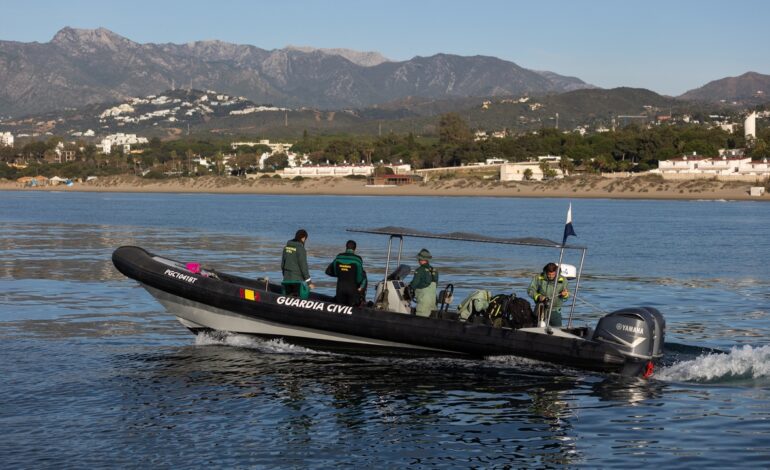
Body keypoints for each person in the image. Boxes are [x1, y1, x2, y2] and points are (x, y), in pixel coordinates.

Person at [325, 239, 367, 306]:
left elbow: (330, 272)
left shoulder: (338, 257)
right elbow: (359, 279)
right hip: (352, 291)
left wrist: (343, 272)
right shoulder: (358, 259)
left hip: (340, 290)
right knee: (364, 275)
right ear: (355, 249)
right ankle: (362, 299)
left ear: (346, 247)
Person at [527, 262, 569, 327]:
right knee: (537, 329)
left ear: (556, 272)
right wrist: (538, 296)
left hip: (555, 311)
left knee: (557, 329)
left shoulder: (563, 280)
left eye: (553, 274)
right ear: (546, 272)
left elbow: (567, 297)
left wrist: (565, 295)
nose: (551, 276)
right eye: (549, 274)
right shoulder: (538, 278)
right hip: (540, 308)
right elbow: (530, 290)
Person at [281, 229, 315, 298]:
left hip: (286, 280)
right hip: (297, 281)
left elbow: (282, 265)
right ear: (303, 238)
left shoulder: (286, 247)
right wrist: (309, 283)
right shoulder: (301, 249)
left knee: (288, 298)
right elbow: (304, 267)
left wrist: (285, 276)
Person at [409, 248, 439, 317]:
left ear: (421, 259)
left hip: (424, 301)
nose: (418, 260)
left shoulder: (420, 270)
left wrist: (409, 287)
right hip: (433, 300)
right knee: (432, 317)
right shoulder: (434, 270)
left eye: (418, 259)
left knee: (421, 317)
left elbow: (414, 284)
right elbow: (435, 285)